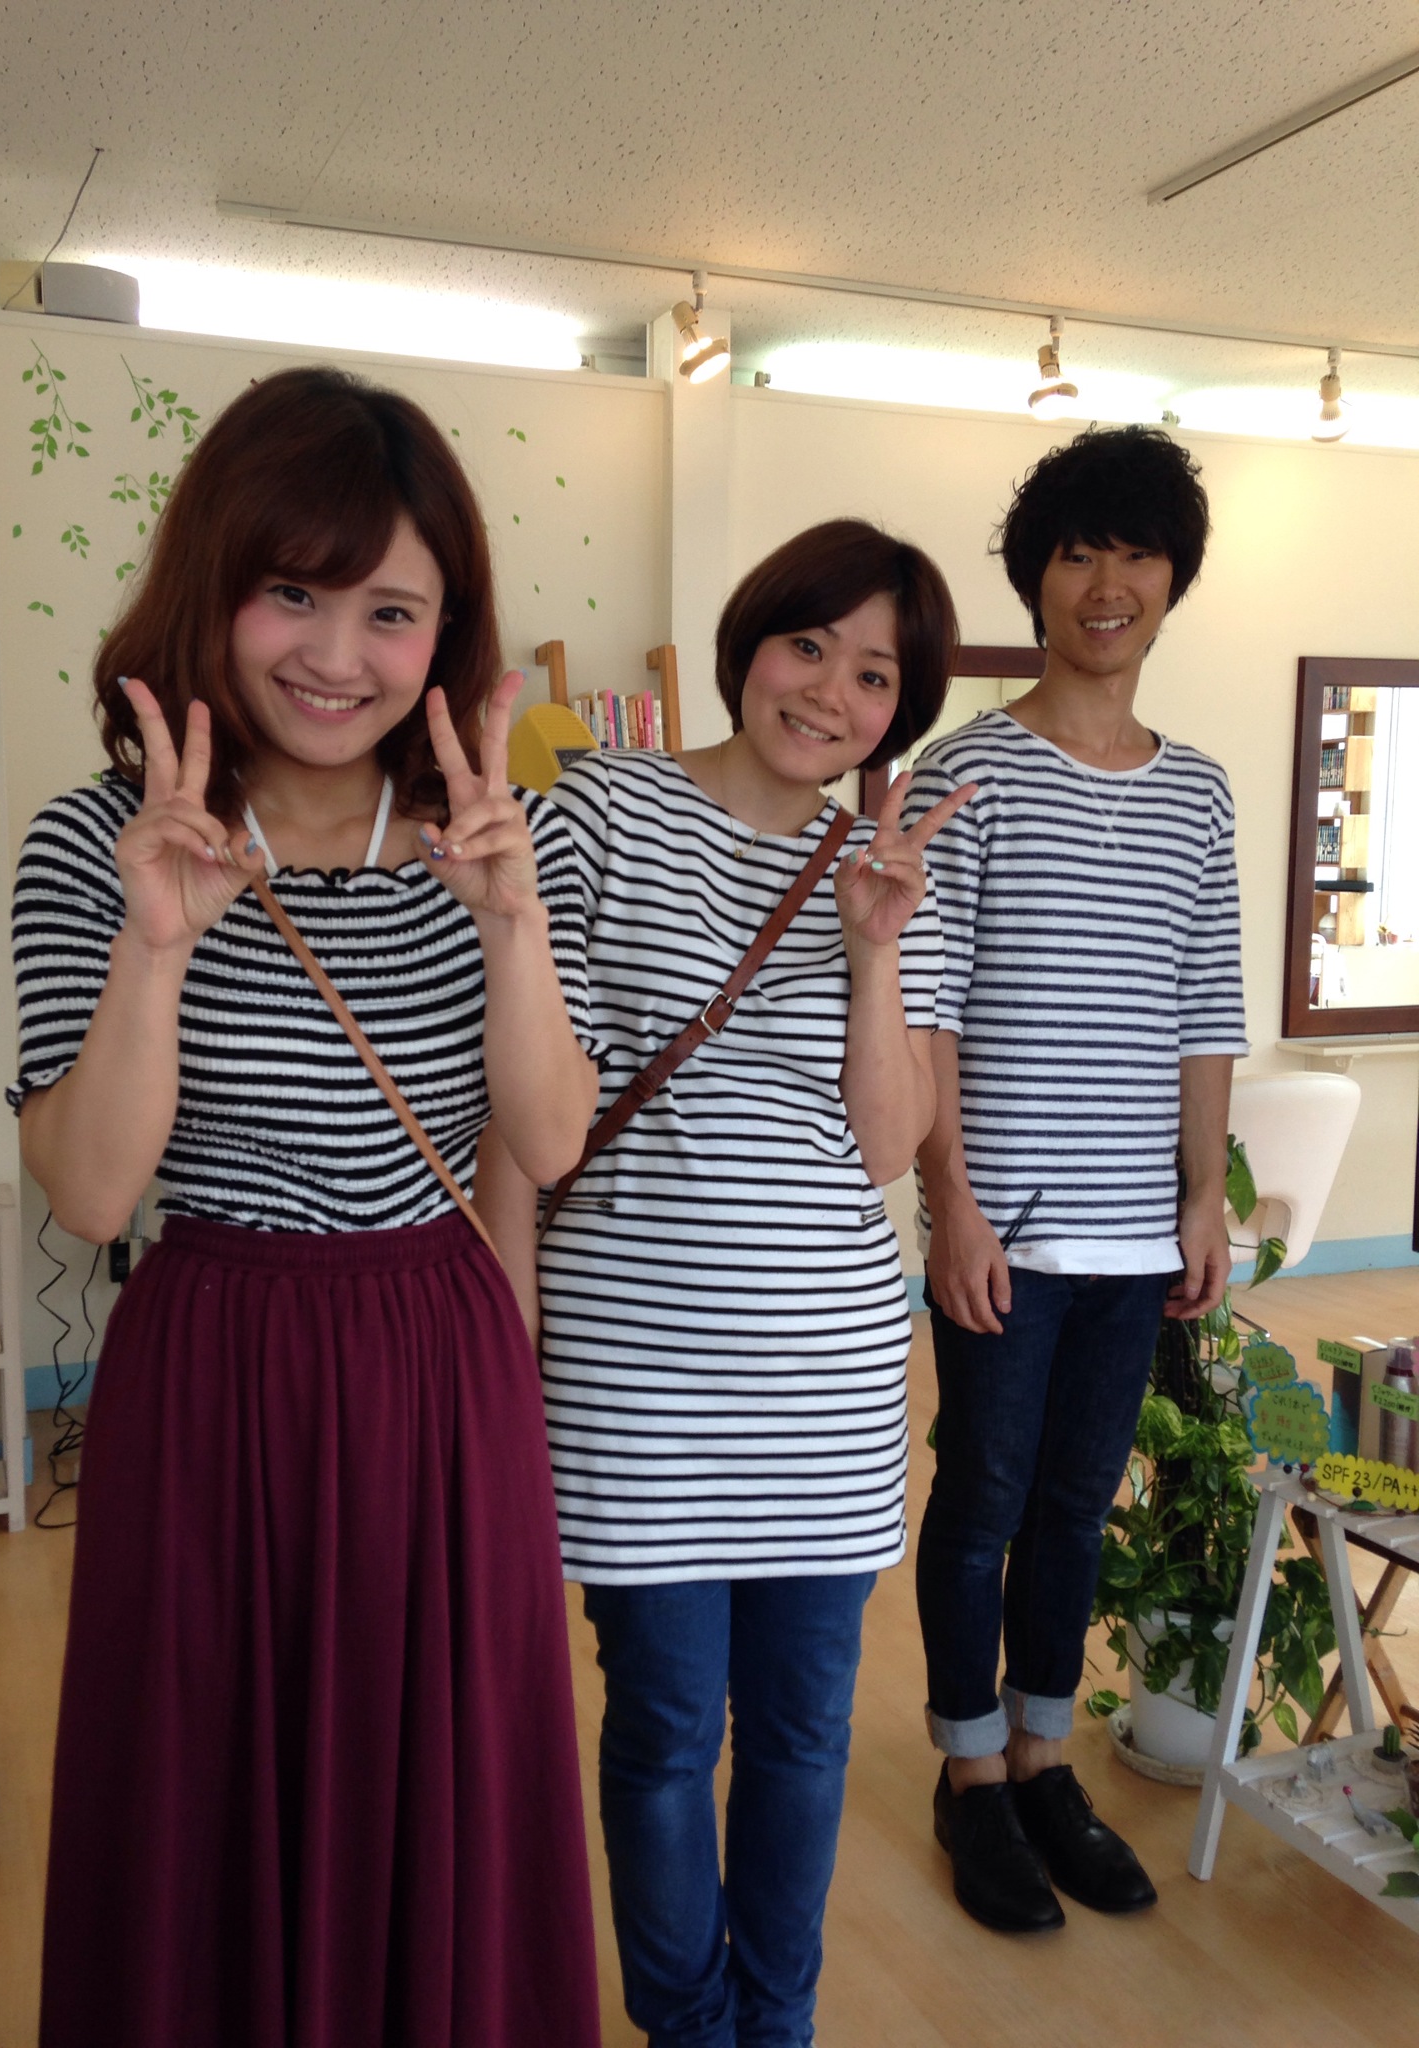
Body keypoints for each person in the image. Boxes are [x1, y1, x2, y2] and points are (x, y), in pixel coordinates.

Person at [9, 366, 602, 2047]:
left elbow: (548, 1141)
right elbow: (95, 1190)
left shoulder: (500, 840)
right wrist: (157, 943)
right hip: (218, 1365)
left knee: (445, 1780)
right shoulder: (95, 843)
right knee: (205, 1782)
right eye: (293, 593)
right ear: (216, 585)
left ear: (444, 636)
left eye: (390, 611)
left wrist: (510, 924)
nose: (338, 654)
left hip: (441, 1362)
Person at [482, 520, 971, 2047]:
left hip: (826, 1375)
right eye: (808, 644)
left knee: (807, 1732)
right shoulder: (599, 812)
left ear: (900, 707)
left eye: (874, 674)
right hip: (637, 1371)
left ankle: (780, 2022)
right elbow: (528, 1106)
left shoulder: (892, 866)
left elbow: (884, 1147)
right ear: (750, 641)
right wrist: (507, 1337)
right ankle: (688, 2027)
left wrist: (875, 947)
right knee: (665, 1727)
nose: (829, 691)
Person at [905, 425, 1248, 1932]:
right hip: (1007, 1235)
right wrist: (953, 1206)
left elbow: (1204, 1009)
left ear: (1173, 579)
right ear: (1035, 580)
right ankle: (971, 1771)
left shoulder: (1202, 793)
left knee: (1078, 1505)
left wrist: (1202, 1197)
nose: (1107, 583)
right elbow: (928, 1009)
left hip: (1134, 1239)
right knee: (981, 1498)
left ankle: (1046, 1757)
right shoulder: (967, 772)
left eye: (1136, 554)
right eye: (1077, 553)